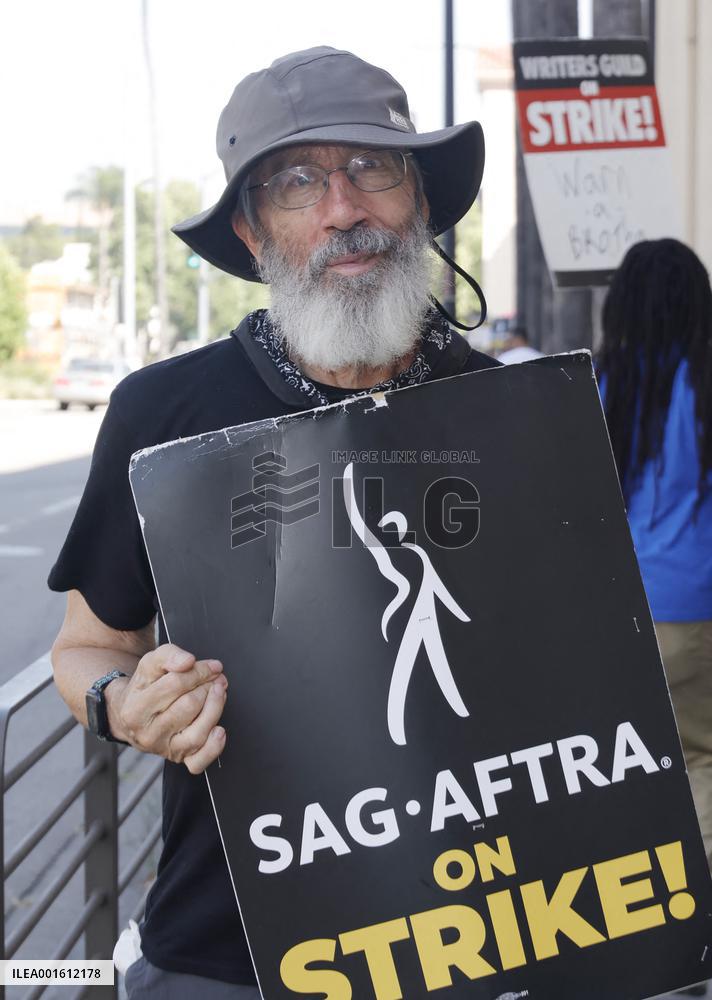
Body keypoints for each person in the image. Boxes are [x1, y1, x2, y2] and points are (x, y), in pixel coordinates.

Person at [48, 47, 499, 997]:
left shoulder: (515, 414)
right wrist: (123, 705)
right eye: (297, 183)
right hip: (231, 949)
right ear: (253, 236)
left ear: (418, 199)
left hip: (492, 925)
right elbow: (88, 647)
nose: (344, 210)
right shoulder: (160, 414)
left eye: (373, 168)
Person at [596, 238, 712, 868]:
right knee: (700, 760)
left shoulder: (598, 384)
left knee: (631, 763)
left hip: (620, 613)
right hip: (698, 609)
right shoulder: (706, 383)